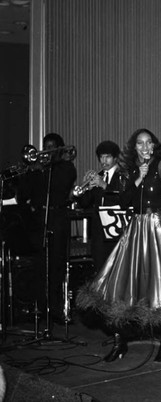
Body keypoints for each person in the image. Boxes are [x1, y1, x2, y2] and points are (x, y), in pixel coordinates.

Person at [77, 129, 161, 363]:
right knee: (121, 284)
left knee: (158, 284)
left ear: (154, 145)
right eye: (139, 144)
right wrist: (138, 178)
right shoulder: (131, 172)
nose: (144, 147)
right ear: (134, 148)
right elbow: (124, 201)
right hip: (135, 228)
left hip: (156, 228)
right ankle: (120, 342)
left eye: (148, 143)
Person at [17, 132, 77, 324]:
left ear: (59, 149)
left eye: (51, 146)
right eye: (45, 146)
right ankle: (40, 308)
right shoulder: (38, 169)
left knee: (56, 266)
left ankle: (56, 310)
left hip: (58, 218)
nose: (47, 150)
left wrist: (44, 167)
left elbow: (60, 186)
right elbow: (24, 193)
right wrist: (31, 170)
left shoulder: (66, 167)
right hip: (39, 219)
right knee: (39, 265)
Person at [74, 140, 127, 271]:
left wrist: (104, 185)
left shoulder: (123, 175)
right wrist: (84, 189)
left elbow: (123, 200)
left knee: (117, 269)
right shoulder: (98, 176)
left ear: (115, 158)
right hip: (98, 231)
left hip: (117, 229)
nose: (104, 160)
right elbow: (85, 204)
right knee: (100, 268)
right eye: (101, 157)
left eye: (107, 157)